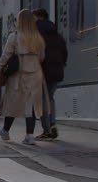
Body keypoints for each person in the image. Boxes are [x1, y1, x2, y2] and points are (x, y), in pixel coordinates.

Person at [0, 9, 47, 145]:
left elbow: (5, 55)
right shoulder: (38, 38)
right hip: (34, 74)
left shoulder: (15, 36)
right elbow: (42, 57)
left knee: (12, 103)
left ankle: (5, 131)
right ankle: (29, 135)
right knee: (31, 106)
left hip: (18, 74)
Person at [32, 8, 68, 140]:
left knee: (42, 100)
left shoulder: (36, 32)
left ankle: (47, 130)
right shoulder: (56, 33)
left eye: (33, 17)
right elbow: (64, 52)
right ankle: (52, 124)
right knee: (50, 98)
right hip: (57, 70)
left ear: (38, 17)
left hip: (43, 69)